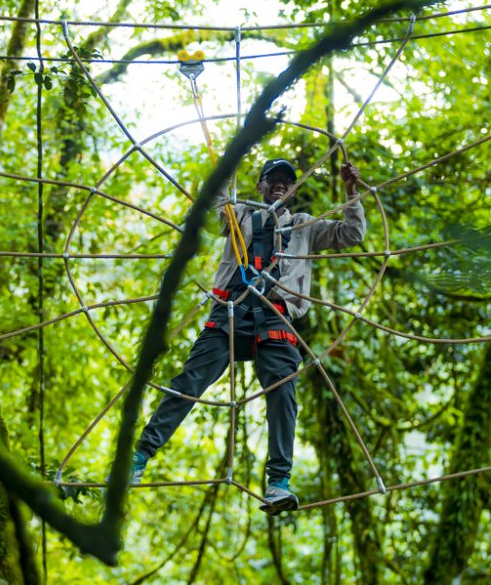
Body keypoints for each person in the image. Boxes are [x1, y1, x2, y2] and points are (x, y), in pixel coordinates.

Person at [132, 157, 365, 514]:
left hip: (275, 316)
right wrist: (227, 168)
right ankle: (138, 458)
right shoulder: (238, 215)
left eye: (286, 180)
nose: (280, 184)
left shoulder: (305, 226)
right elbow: (208, 216)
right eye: (272, 178)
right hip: (230, 309)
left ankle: (278, 483)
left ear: (293, 189)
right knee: (190, 381)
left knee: (283, 391)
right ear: (260, 185)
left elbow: (352, 234)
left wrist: (351, 191)